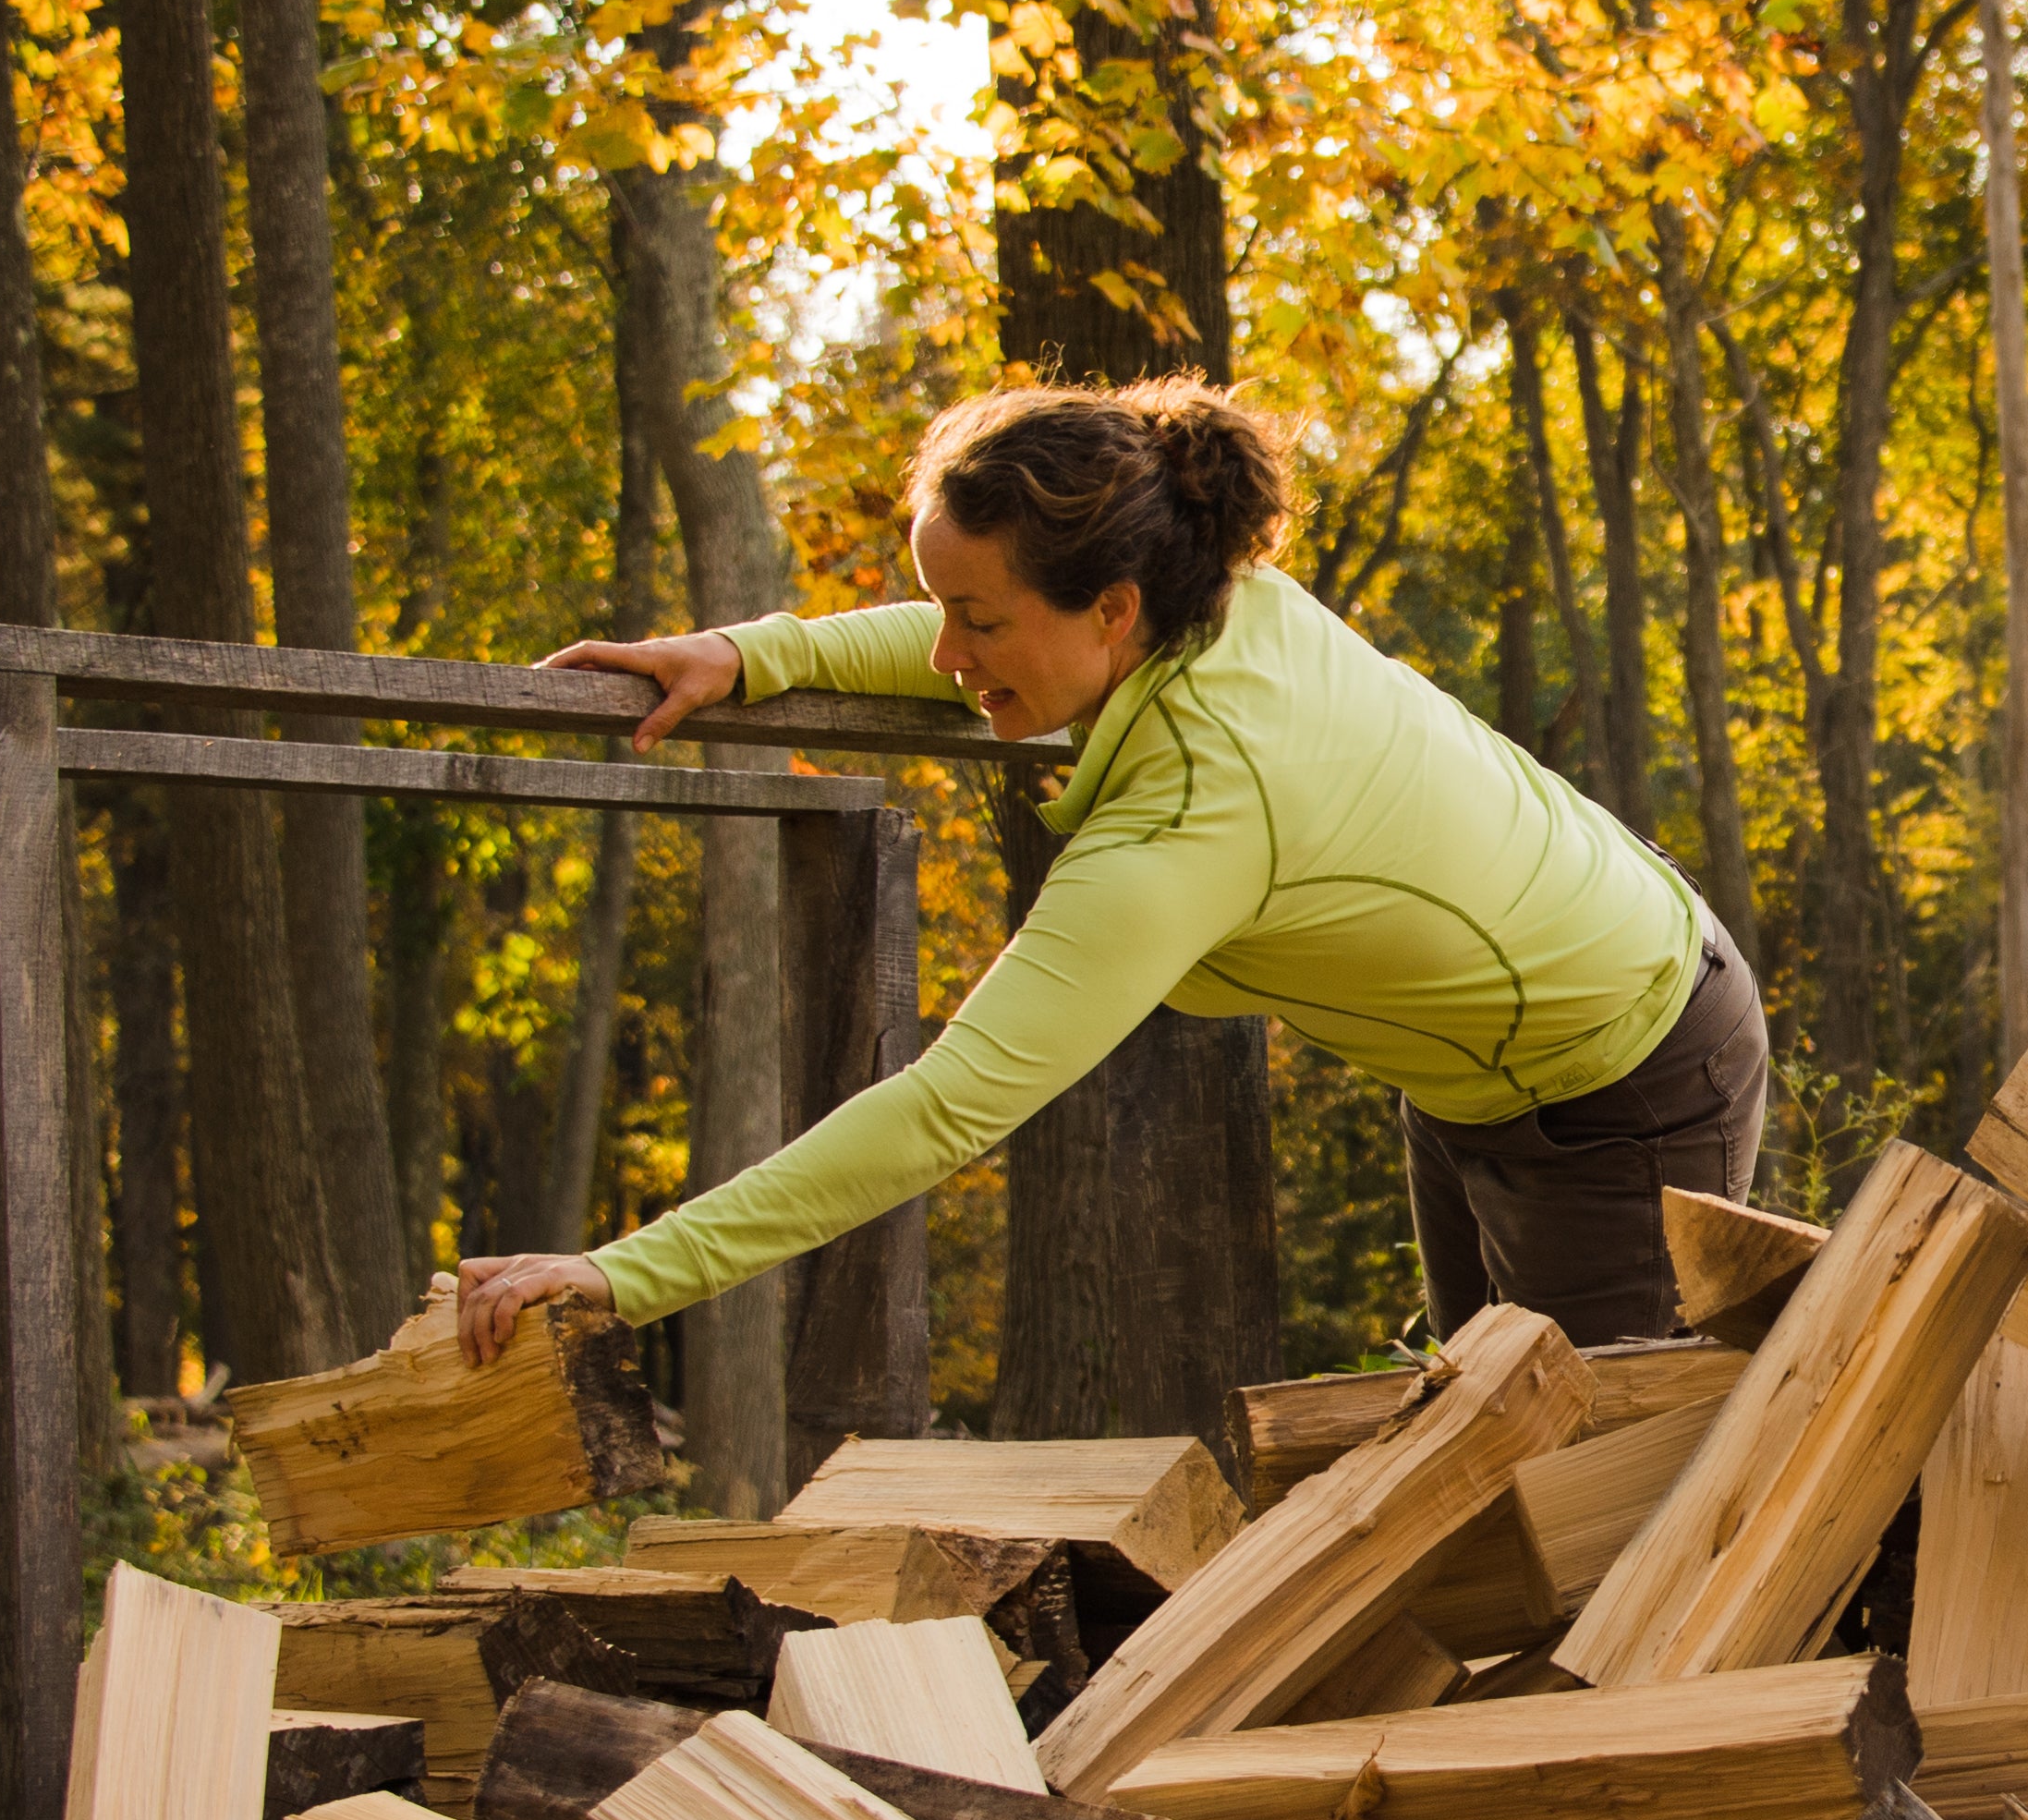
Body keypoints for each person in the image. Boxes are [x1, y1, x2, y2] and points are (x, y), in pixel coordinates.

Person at [448, 378, 1767, 1371]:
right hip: (1474, 1068)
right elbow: (972, 612)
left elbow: (943, 1111)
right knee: (1475, 1465)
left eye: (979, 626)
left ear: (1112, 609)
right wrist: (752, 655)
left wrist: (624, 1273)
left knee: (1597, 1502)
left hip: (1629, 1070)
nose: (953, 660)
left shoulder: (1193, 808)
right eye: (947, 616)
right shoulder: (1198, 599)